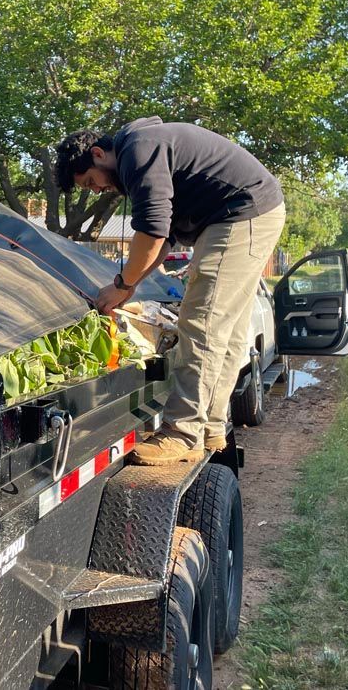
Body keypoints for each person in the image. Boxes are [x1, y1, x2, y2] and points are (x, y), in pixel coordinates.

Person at [54, 117, 286, 464]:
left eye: (91, 182)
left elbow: (152, 232)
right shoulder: (147, 149)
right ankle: (209, 426)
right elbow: (164, 241)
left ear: (99, 154)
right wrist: (131, 285)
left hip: (241, 213)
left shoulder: (138, 151)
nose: (97, 190)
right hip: (250, 211)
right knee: (227, 331)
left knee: (201, 323)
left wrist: (122, 285)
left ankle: (181, 433)